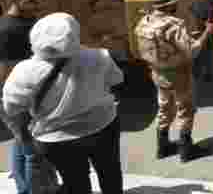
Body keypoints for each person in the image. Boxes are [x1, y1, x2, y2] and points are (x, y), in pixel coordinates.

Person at [3, 13, 125, 194]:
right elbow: (116, 80)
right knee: (110, 171)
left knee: (75, 181)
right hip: (102, 125)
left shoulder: (24, 71)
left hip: (57, 138)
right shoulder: (99, 56)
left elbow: (11, 107)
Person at [133, 0, 213, 162]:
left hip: (157, 72)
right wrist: (206, 33)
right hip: (178, 74)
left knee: (164, 107)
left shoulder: (144, 21)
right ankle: (186, 150)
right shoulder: (174, 25)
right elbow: (192, 51)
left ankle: (162, 148)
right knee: (185, 109)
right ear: (171, 4)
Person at [0, 0, 47, 194]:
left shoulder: (29, 21)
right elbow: (4, 72)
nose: (36, 4)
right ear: (14, 0)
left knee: (22, 144)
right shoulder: (6, 29)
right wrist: (16, 102)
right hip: (15, 97)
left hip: (29, 93)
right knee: (33, 152)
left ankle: (23, 188)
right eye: (30, 0)